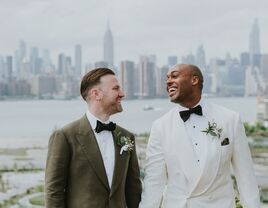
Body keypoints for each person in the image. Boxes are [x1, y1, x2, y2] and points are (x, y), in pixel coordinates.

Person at [139, 64, 260, 208]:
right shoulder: (160, 126)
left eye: (174, 76)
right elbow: (154, 182)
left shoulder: (230, 119)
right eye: (167, 78)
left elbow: (246, 177)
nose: (168, 81)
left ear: (194, 80)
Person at [45, 68, 142, 208]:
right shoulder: (64, 136)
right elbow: (53, 191)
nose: (122, 94)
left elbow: (134, 189)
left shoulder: (127, 137)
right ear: (96, 94)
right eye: (116, 89)